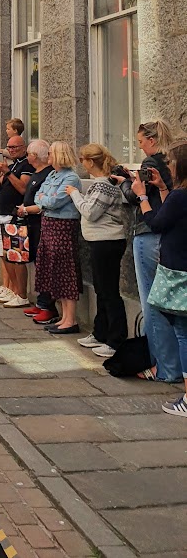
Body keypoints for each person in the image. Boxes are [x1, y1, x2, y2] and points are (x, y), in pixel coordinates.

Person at [122, 120, 181, 383]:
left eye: (141, 142)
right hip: (168, 238)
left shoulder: (152, 164)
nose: (141, 147)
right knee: (171, 304)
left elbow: (135, 197)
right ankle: (176, 365)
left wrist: (128, 184)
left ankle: (165, 368)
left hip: (149, 233)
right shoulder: (170, 164)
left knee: (153, 303)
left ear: (152, 140)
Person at [131, 138, 187, 416]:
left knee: (182, 330)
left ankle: (178, 383)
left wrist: (142, 196)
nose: (170, 168)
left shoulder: (181, 195)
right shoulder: (176, 195)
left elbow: (157, 222)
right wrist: (163, 188)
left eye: (173, 164)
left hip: (178, 269)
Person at [66, 144, 128, 358]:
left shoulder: (103, 186)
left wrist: (75, 194)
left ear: (91, 162)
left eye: (83, 160)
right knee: (101, 289)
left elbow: (90, 212)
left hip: (107, 242)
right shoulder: (99, 184)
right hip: (99, 241)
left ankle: (115, 340)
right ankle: (100, 332)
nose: (81, 164)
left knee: (109, 291)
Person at [33, 141, 82, 335]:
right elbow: (38, 196)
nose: (48, 156)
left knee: (65, 272)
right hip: (49, 225)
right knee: (53, 271)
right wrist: (46, 199)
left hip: (62, 226)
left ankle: (71, 319)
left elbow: (53, 201)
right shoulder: (53, 175)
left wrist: (46, 199)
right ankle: (63, 317)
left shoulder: (71, 177)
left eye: (51, 153)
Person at [0, 135, 34, 306]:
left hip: (14, 216)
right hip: (2, 214)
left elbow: (23, 188)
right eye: (9, 148)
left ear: (24, 147)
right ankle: (13, 289)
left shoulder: (25, 165)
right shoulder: (14, 164)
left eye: (15, 147)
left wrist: (7, 172)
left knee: (16, 256)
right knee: (5, 255)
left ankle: (20, 293)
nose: (11, 151)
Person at [16, 140, 56, 322]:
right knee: (37, 264)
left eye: (30, 153)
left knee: (43, 264)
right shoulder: (36, 173)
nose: (28, 156)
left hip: (41, 224)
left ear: (35, 156)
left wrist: (27, 208)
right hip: (30, 222)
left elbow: (43, 201)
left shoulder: (47, 174)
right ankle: (41, 302)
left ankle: (47, 304)